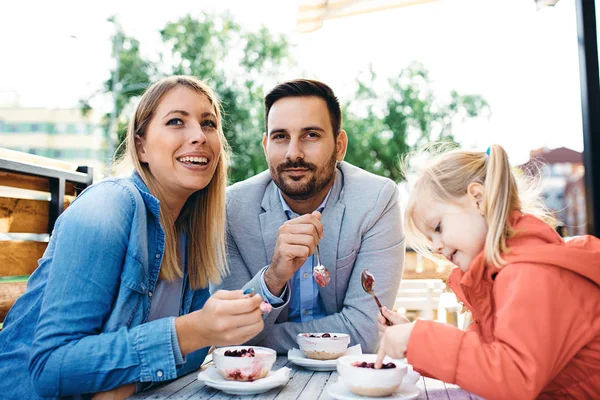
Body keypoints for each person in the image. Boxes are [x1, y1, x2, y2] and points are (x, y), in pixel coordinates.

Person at [0, 76, 265, 399]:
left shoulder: (192, 233)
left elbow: (194, 355)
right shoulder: (109, 206)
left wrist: (126, 383)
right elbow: (50, 367)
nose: (199, 136)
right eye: (176, 121)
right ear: (141, 147)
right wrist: (192, 330)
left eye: (208, 123)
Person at [375, 144, 600, 399]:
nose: (437, 247)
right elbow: (483, 358)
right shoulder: (504, 274)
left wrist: (418, 340)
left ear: (478, 199)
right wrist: (411, 338)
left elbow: (513, 377)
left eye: (437, 228)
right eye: (430, 239)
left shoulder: (531, 272)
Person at [216, 79, 405, 354]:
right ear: (266, 145)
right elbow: (229, 334)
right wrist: (273, 277)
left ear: (340, 145)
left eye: (311, 135)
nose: (294, 153)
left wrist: (261, 338)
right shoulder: (231, 209)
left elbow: (364, 332)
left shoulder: (376, 200)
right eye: (281, 136)